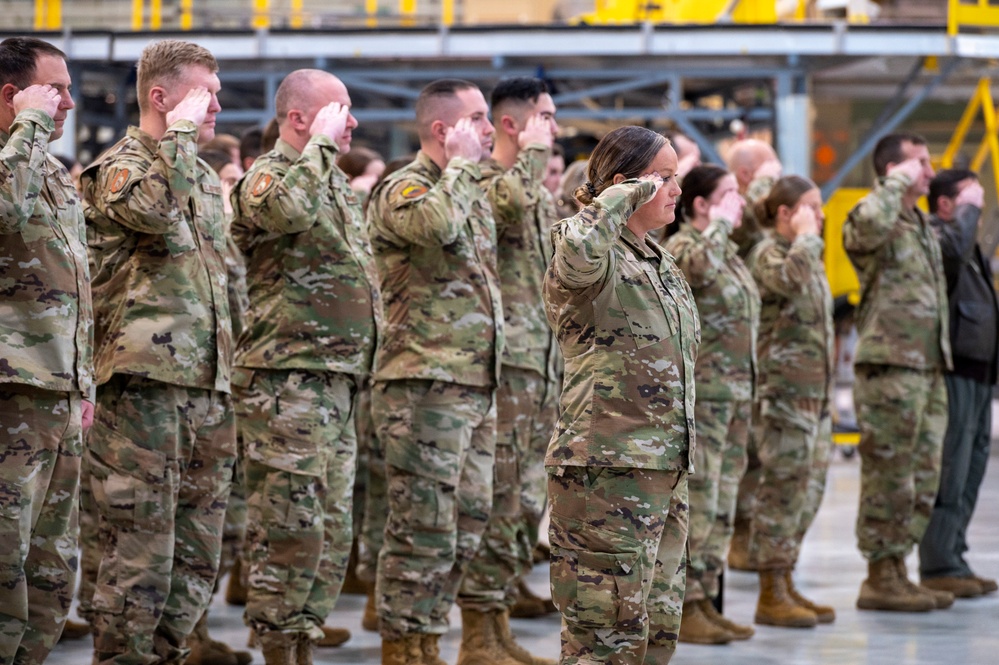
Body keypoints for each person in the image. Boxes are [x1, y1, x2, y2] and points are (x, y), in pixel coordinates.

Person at [81, 39, 237, 665]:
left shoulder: (196, 169)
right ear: (161, 97)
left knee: (198, 551)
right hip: (144, 381)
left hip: (206, 381)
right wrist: (176, 139)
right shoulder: (122, 165)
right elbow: (150, 211)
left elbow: (221, 272)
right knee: (141, 547)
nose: (218, 104)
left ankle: (170, 654)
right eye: (207, 91)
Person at [229, 69, 380, 665]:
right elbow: (285, 212)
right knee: (289, 524)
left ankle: (302, 639)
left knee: (332, 527)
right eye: (341, 110)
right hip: (285, 380)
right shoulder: (270, 176)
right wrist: (320, 145)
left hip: (334, 381)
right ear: (301, 120)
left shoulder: (331, 182)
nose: (354, 123)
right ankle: (277, 643)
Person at [544, 126, 696, 665]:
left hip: (660, 470)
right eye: (665, 178)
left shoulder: (656, 259)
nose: (677, 189)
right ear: (622, 184)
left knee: (654, 632)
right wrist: (626, 194)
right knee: (605, 638)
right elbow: (576, 260)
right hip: (606, 471)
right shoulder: (587, 242)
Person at [366, 79, 503, 665]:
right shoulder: (406, 187)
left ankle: (427, 637)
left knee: (465, 525)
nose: (491, 129)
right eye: (479, 118)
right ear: (445, 131)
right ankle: (402, 643)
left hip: (471, 382)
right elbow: (436, 227)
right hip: (421, 383)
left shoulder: (465, 188)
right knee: (422, 525)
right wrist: (464, 173)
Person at [454, 77, 560, 665]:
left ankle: (496, 622)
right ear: (512, 125)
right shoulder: (491, 182)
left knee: (524, 501)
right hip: (506, 364)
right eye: (544, 118)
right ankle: (477, 629)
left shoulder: (535, 190)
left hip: (539, 363)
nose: (553, 128)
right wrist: (537, 156)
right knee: (498, 496)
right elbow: (506, 206)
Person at [0, 36, 94, 665]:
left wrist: (82, 383)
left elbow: (74, 285)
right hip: (11, 393)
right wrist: (29, 125)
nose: (67, 102)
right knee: (4, 557)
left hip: (57, 390)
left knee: (52, 567)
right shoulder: (19, 163)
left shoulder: (50, 169)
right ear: (13, 96)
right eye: (53, 89)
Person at [843, 132, 952, 613]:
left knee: (923, 473)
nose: (930, 172)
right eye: (920, 164)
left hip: (928, 365)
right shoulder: (876, 214)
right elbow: (861, 233)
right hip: (890, 366)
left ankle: (899, 569)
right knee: (890, 473)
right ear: (894, 170)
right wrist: (892, 185)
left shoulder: (917, 222)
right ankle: (879, 574)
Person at [664, 165, 759, 644]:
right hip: (705, 398)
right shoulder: (685, 244)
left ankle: (704, 596)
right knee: (699, 506)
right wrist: (718, 225)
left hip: (736, 398)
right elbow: (695, 270)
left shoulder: (731, 252)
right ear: (701, 204)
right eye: (727, 196)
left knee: (722, 506)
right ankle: (685, 604)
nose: (737, 204)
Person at [744, 176, 836, 628]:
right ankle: (770, 588)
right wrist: (805, 241)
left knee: (809, 490)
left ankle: (787, 577)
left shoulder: (807, 252)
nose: (818, 216)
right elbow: (788, 281)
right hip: (784, 394)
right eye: (810, 207)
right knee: (782, 489)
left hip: (813, 395)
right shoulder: (771, 253)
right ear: (785, 213)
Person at [919, 169, 998, 598]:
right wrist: (965, 211)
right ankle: (938, 563)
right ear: (946, 205)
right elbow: (949, 258)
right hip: (957, 372)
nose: (978, 211)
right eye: (970, 203)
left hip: (981, 372)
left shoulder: (964, 240)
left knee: (971, 470)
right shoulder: (940, 235)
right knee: (951, 468)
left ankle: (955, 556)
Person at [724, 138, 782, 571]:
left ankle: (753, 537)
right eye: (769, 174)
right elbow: (743, 227)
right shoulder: (735, 212)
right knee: (743, 450)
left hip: (761, 347)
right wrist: (762, 189)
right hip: (733, 352)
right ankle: (739, 536)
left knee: (759, 449)